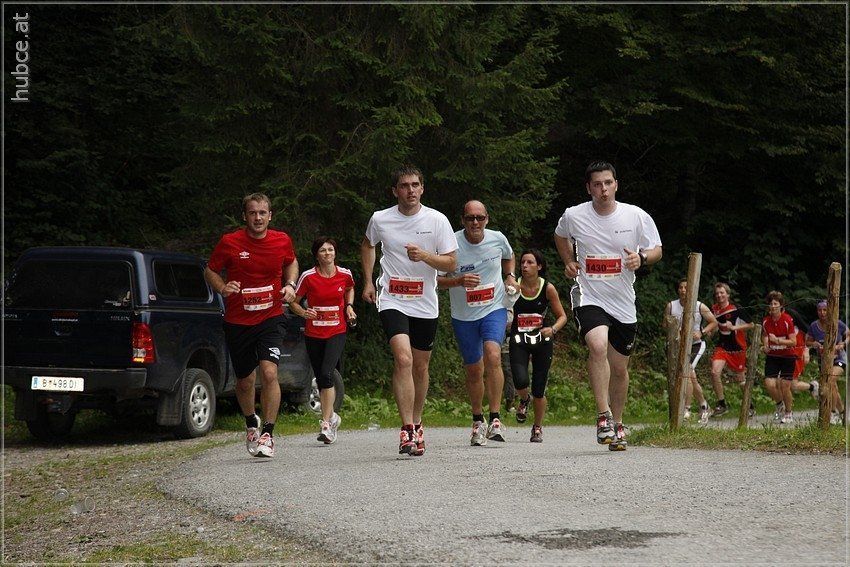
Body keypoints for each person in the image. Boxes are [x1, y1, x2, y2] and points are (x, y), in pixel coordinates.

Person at [554, 160, 662, 451]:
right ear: (588, 188)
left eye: (608, 183)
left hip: (623, 301)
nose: (603, 189)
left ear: (616, 185)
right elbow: (560, 235)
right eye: (597, 184)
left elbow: (657, 249)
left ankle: (618, 423)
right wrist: (569, 261)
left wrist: (641, 258)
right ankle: (603, 416)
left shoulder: (636, 216)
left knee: (619, 368)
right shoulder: (574, 215)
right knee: (597, 345)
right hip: (589, 294)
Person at [361, 165, 458, 456]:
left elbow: (451, 263)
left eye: (415, 185)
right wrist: (368, 281)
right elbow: (368, 245)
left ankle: (417, 421)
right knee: (403, 359)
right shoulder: (380, 218)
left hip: (425, 302)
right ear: (395, 191)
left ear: (422, 189)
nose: (410, 190)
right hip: (392, 298)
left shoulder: (437, 220)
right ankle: (406, 429)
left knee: (420, 366)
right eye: (404, 186)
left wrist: (426, 256)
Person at [205, 193, 298, 458]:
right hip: (238, 321)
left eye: (262, 213)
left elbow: (291, 261)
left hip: (271, 317)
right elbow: (210, 270)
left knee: (269, 372)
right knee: (245, 381)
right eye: (253, 213)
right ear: (244, 216)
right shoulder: (230, 242)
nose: (258, 218)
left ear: (270, 216)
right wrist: (223, 287)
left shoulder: (281, 240)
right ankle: (250, 422)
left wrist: (290, 284)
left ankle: (268, 433)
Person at [437, 200, 515, 446]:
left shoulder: (497, 238)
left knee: (493, 354)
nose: (475, 222)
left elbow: (509, 257)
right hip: (464, 315)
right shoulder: (451, 244)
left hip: (494, 308)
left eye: (480, 218)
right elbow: (436, 280)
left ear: (487, 219)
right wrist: (458, 281)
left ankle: (495, 418)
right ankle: (477, 420)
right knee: (474, 369)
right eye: (470, 218)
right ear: (462, 220)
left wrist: (510, 276)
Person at [288, 237, 355, 445]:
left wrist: (349, 306)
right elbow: (293, 302)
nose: (328, 253)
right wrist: (303, 312)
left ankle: (326, 424)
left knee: (326, 373)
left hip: (337, 330)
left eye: (330, 249)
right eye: (323, 250)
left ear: (335, 252)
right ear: (316, 255)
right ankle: (333, 417)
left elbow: (349, 289)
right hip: (314, 333)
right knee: (320, 377)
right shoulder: (308, 277)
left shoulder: (345, 274)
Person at [508, 249, 568, 443]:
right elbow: (503, 308)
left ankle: (537, 427)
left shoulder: (548, 288)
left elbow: (562, 316)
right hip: (519, 339)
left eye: (530, 262)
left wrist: (553, 329)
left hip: (542, 339)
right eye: (522, 262)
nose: (524, 266)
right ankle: (524, 399)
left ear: (539, 266)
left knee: (539, 388)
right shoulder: (514, 286)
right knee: (520, 380)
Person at [662, 279, 718, 424]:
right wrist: (676, 329)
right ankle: (704, 405)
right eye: (680, 287)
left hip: (695, 345)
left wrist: (701, 332)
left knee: (687, 372)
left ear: (691, 290)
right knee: (690, 376)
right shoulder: (671, 306)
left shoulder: (699, 306)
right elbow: (665, 325)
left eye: (686, 288)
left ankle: (686, 409)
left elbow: (714, 322)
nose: (683, 290)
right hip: (677, 346)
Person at [707, 282, 754, 418]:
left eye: (722, 293)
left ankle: (750, 405)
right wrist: (710, 332)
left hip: (737, 347)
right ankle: (722, 404)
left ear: (727, 294)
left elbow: (751, 325)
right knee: (714, 372)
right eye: (717, 293)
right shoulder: (714, 309)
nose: (719, 295)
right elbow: (716, 325)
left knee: (740, 379)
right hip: (722, 346)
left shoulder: (736, 309)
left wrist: (734, 328)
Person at [761, 291, 801, 424]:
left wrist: (778, 341)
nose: (773, 306)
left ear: (781, 305)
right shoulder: (766, 321)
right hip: (773, 355)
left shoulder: (787, 320)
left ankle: (789, 412)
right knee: (769, 384)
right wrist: (765, 345)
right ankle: (779, 405)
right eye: (771, 304)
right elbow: (765, 335)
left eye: (775, 304)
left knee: (785, 385)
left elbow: (793, 342)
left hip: (787, 356)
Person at [806, 300, 847, 424]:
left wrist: (843, 344)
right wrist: (814, 343)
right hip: (823, 361)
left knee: (830, 380)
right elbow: (807, 341)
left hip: (839, 359)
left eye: (825, 310)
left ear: (829, 311)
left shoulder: (837, 323)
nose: (822, 313)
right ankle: (842, 412)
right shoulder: (814, 326)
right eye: (820, 310)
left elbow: (848, 334)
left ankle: (832, 412)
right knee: (832, 386)